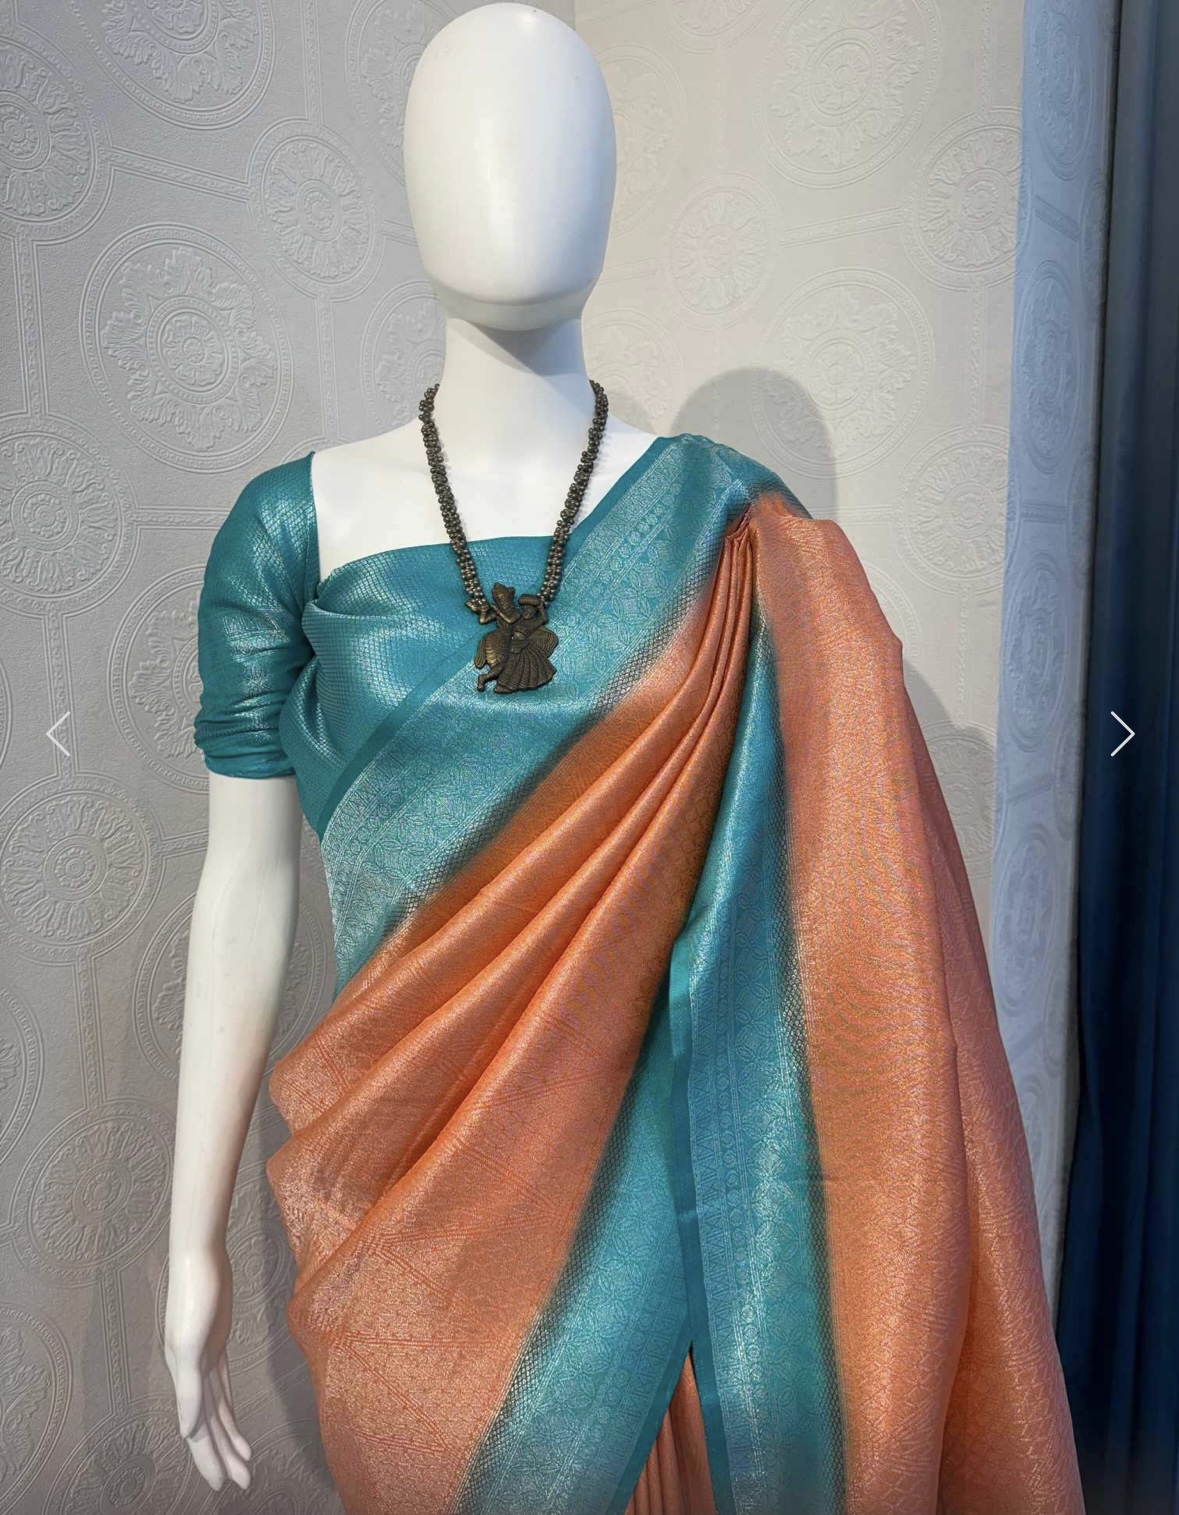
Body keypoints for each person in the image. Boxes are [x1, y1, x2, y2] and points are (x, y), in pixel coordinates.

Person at [168, 6, 1084, 1514]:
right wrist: (188, 1238)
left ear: (615, 177)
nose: (512, 175)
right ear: (405, 179)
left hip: (691, 1281)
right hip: (409, 1258)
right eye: (468, 132)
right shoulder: (289, 528)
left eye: (559, 134)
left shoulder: (739, 536)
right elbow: (242, 888)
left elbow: (848, 938)